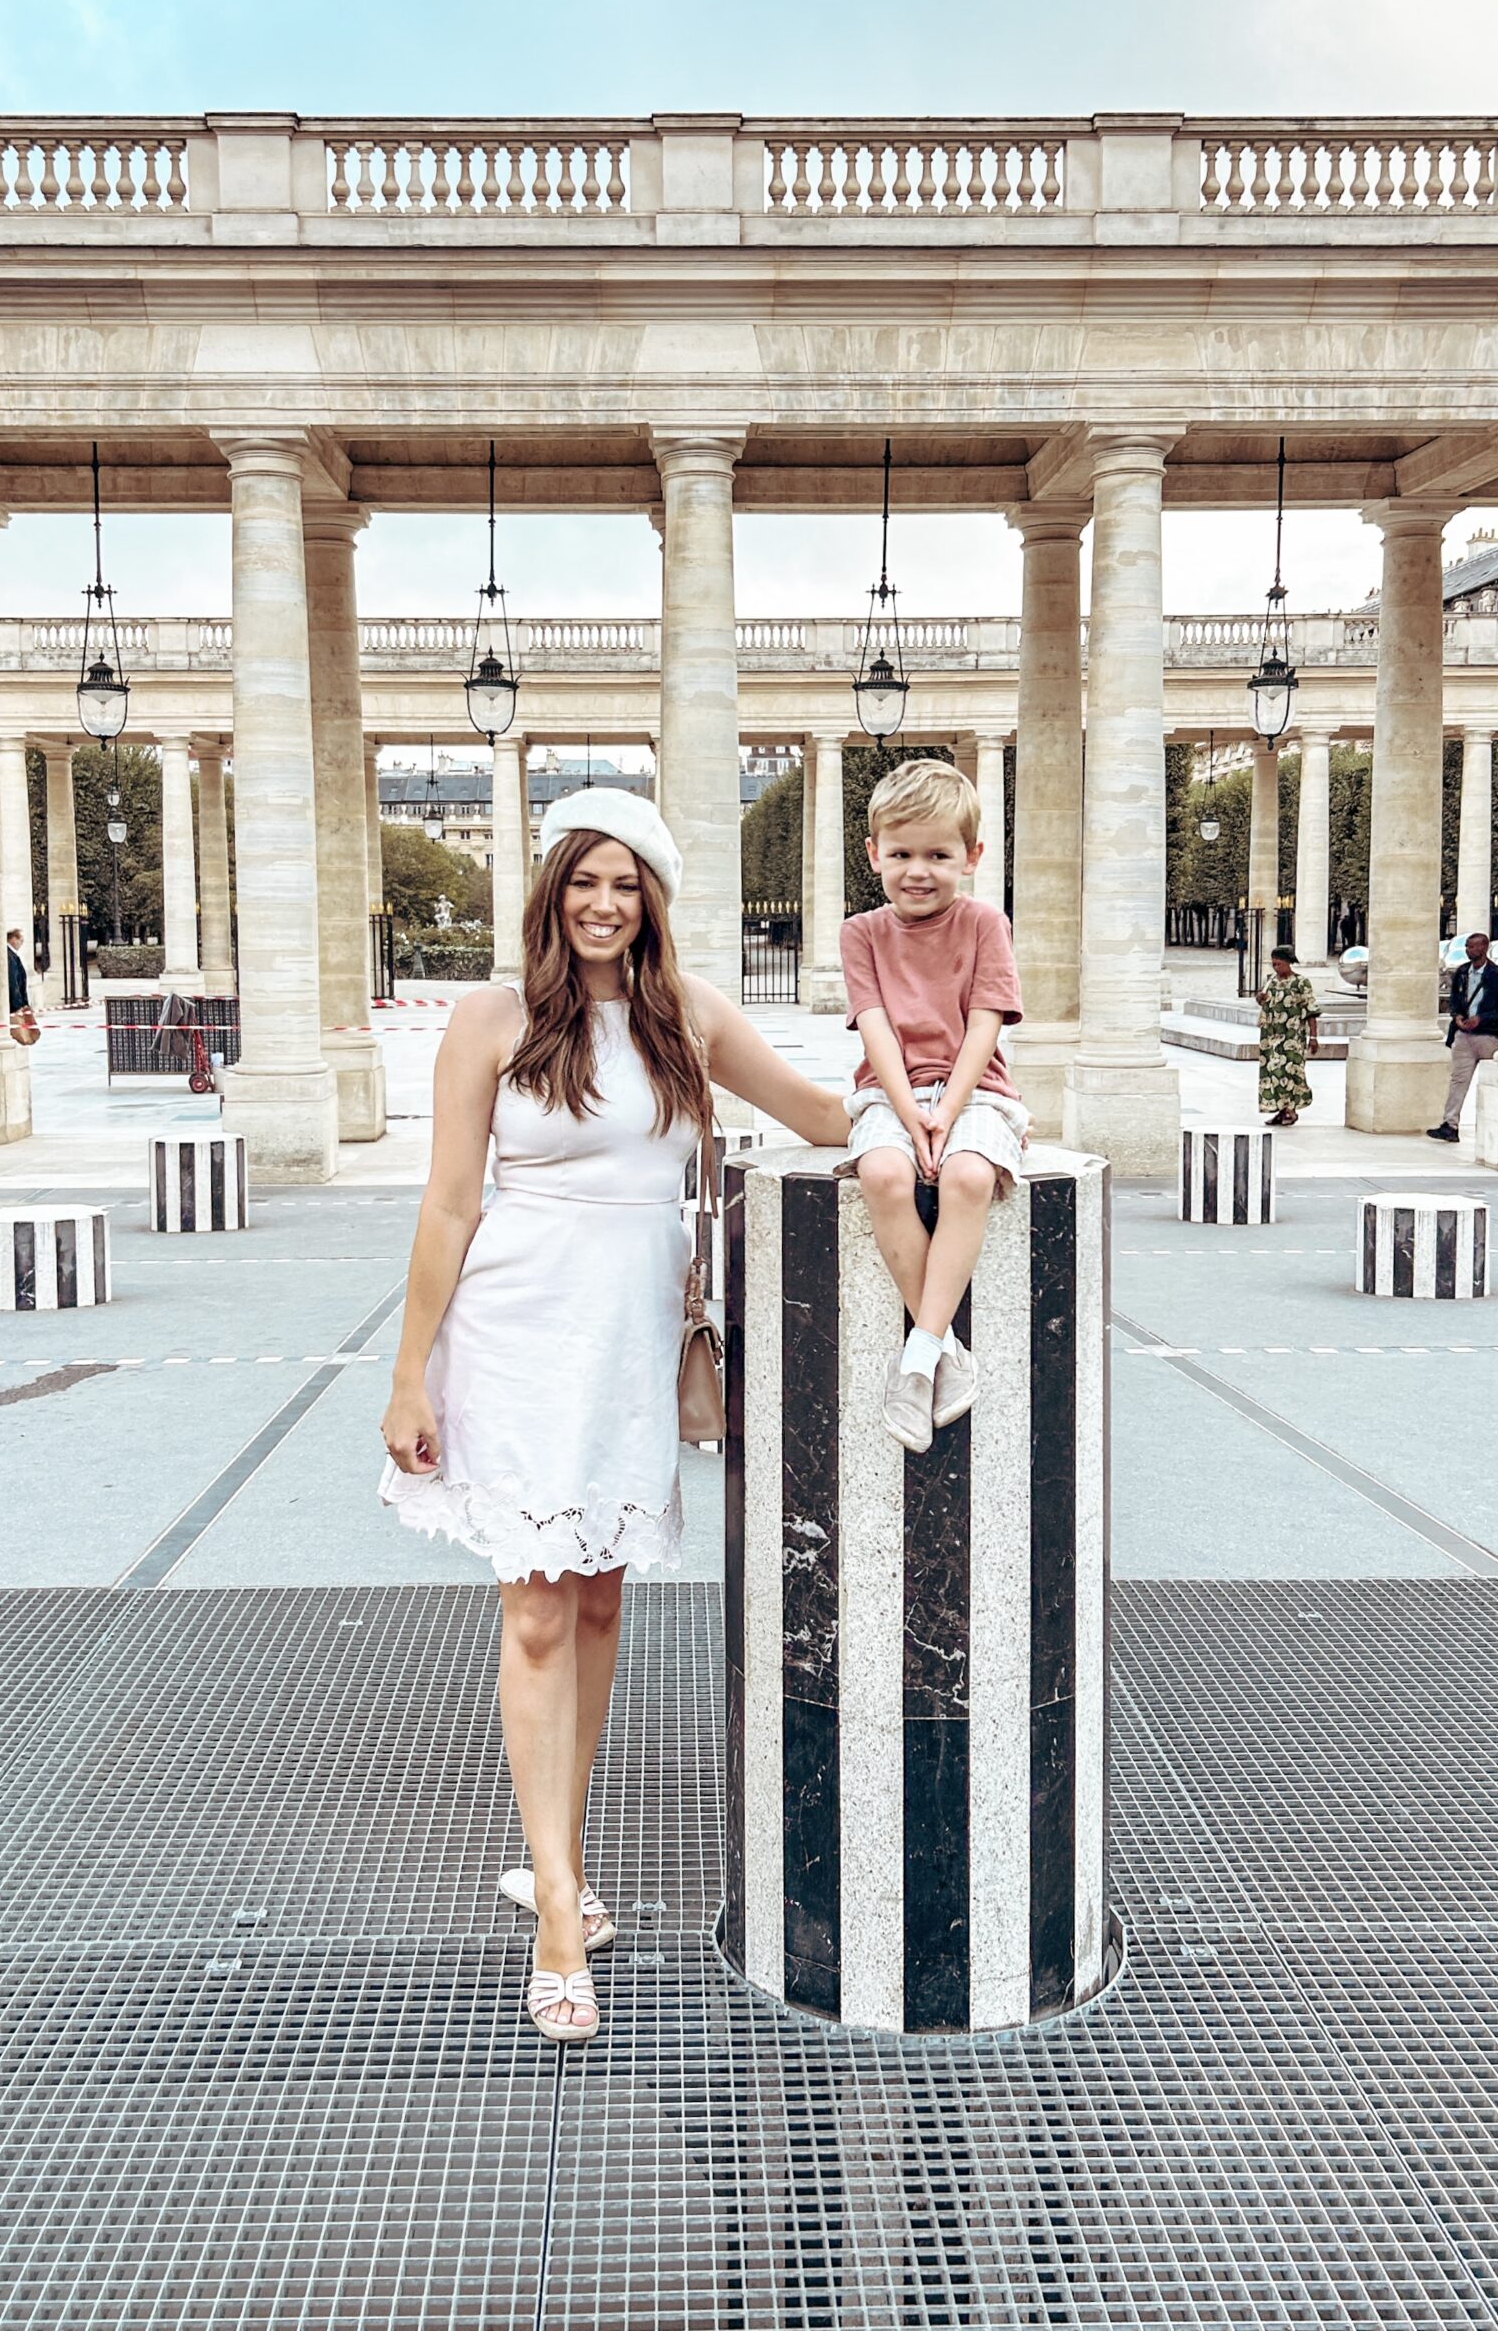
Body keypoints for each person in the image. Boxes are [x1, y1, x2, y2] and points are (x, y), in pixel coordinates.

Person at [378, 792, 848, 2049]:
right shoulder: (488, 1020)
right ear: (549, 890)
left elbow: (817, 1115)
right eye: (584, 880)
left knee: (596, 1602)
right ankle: (555, 1923)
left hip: (630, 1342)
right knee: (535, 1606)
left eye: (626, 885)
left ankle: (557, 1856)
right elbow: (446, 1206)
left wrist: (962, 1112)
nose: (604, 904)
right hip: (515, 1332)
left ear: (652, 900)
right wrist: (409, 1373)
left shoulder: (686, 1017)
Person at [836, 757, 1030, 1454]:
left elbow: (985, 1022)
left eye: (938, 855)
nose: (918, 870)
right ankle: (940, 1351)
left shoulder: (985, 923)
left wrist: (946, 1110)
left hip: (976, 1087)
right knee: (884, 1174)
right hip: (887, 1088)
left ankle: (915, 1360)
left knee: (968, 1177)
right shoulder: (861, 933)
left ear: (972, 857)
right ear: (874, 854)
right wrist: (909, 1109)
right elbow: (875, 1025)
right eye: (901, 854)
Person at [1427, 931, 1498, 1143]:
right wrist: (1457, 1016)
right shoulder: (1462, 972)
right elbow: (1455, 999)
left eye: (1474, 946)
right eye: (1468, 947)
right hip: (1464, 1036)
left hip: (1488, 1035)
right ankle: (1450, 1124)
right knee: (1458, 1080)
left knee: (1492, 1081)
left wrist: (1482, 1019)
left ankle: (1493, 1124)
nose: (1470, 950)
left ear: (1485, 948)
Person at [1255, 944, 1318, 1125]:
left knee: (1289, 1071)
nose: (1276, 968)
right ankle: (1281, 1109)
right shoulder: (1271, 981)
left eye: (1279, 964)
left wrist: (1313, 1037)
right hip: (1270, 1035)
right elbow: (1265, 1002)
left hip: (1292, 1035)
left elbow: (1311, 1010)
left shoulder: (1301, 983)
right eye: (1274, 964)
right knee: (1273, 1072)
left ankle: (1291, 1109)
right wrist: (1260, 999)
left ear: (1288, 963)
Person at [5, 929, 30, 1016]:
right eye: (21, 940)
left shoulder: (12, 954)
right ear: (13, 939)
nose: (21, 944)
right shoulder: (9, 955)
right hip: (14, 1004)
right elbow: (13, 979)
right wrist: (18, 1004)